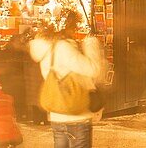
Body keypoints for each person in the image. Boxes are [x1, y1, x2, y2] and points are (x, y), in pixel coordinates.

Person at [30, 12, 106, 148]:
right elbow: (93, 69)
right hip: (75, 116)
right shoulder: (64, 49)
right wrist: (91, 44)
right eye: (75, 27)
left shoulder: (48, 52)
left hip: (57, 115)